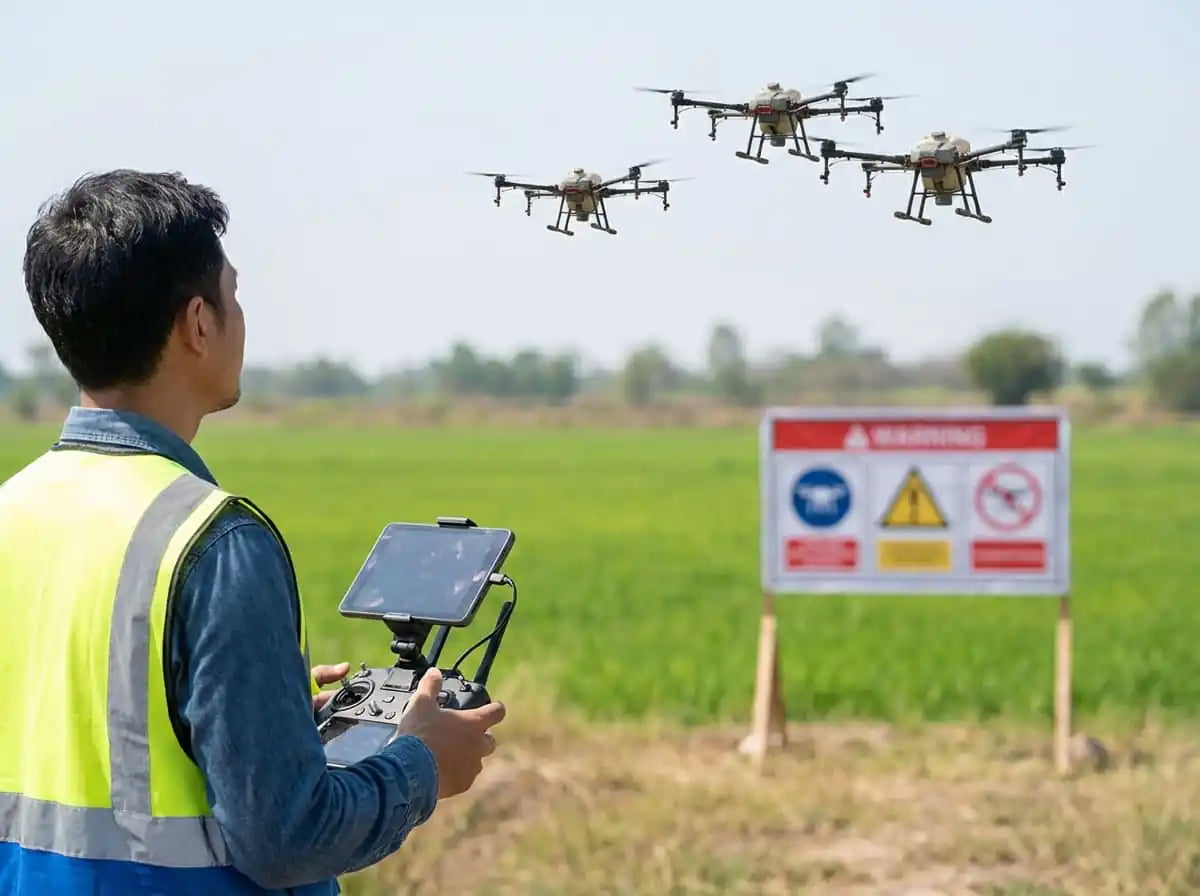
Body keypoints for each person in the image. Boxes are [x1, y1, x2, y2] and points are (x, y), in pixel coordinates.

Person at [0, 169, 507, 895]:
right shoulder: (212, 543)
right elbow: (288, 837)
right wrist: (424, 762)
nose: (241, 317)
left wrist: (257, 720)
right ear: (199, 324)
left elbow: (79, 729)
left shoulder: (13, 510)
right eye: (233, 295)